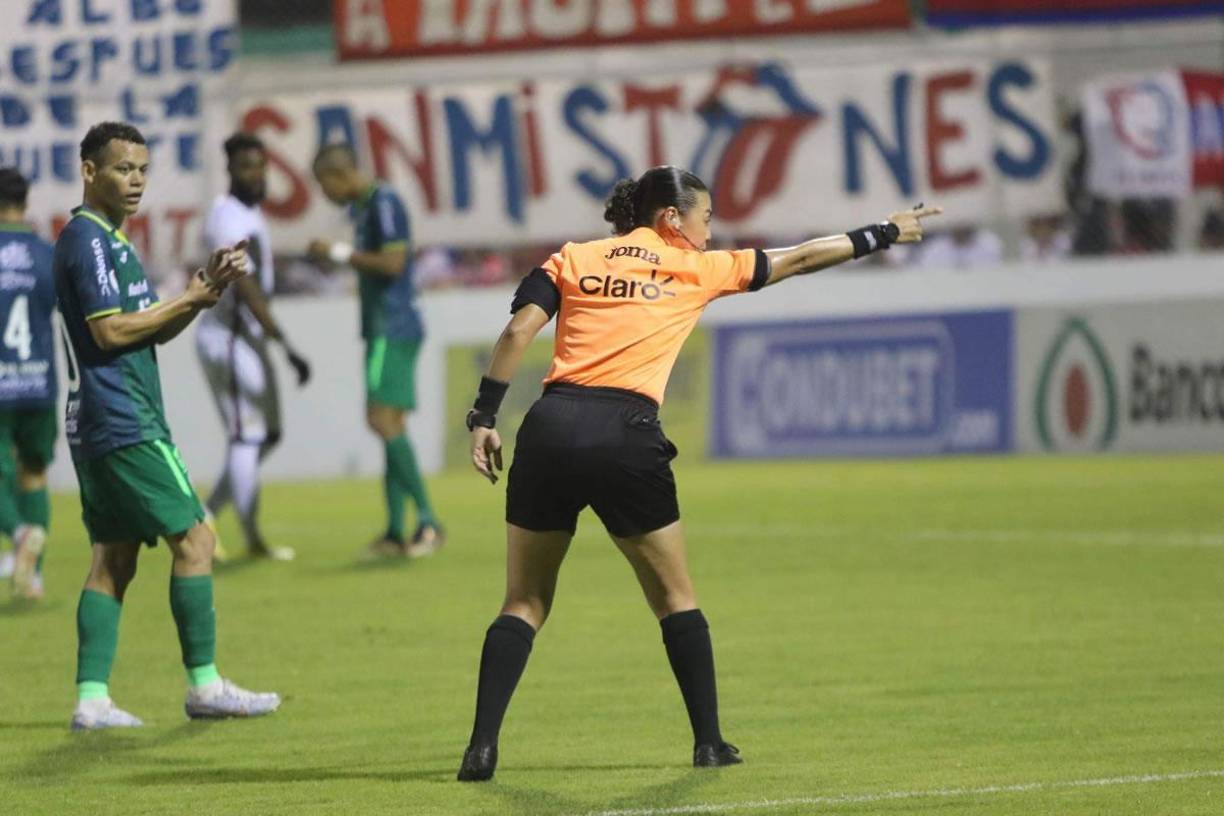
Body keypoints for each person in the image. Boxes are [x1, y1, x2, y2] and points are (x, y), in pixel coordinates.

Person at [456, 165, 941, 781]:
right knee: (675, 599)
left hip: (550, 425)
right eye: (706, 220)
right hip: (626, 432)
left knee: (524, 600)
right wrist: (883, 233)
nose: (710, 235)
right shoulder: (693, 267)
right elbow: (797, 259)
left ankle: (481, 748)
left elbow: (519, 328)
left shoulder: (573, 258)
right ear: (671, 220)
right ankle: (708, 742)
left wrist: (484, 414)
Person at [55, 121, 280, 730]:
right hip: (123, 418)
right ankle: (205, 686)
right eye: (122, 168)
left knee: (114, 558)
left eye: (142, 170)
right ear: (89, 171)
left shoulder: (114, 244)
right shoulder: (89, 241)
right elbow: (108, 332)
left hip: (101, 419)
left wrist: (201, 293)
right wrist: (188, 299)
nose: (135, 180)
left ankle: (92, 699)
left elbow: (146, 326)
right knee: (198, 541)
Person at [307, 144, 443, 559]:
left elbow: (394, 264)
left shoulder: (382, 202)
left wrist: (339, 253)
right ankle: (394, 531)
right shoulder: (366, 207)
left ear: (338, 176)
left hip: (392, 325)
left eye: (323, 185)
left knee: (380, 418)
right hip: (386, 324)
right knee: (390, 424)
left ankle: (427, 522)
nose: (325, 194)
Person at [197, 133, 311, 562]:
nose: (257, 174)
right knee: (246, 436)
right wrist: (286, 345)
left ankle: (205, 513)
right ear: (229, 170)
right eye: (247, 166)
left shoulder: (247, 213)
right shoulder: (226, 218)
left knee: (268, 434)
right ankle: (252, 539)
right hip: (227, 338)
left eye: (261, 165)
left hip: (248, 339)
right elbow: (244, 287)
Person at [0, 168, 56, 600]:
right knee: (34, 473)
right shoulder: (45, 254)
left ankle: (19, 533)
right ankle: (32, 575)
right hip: (38, 380)